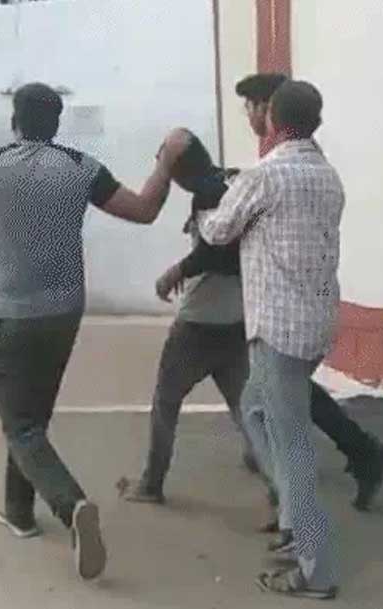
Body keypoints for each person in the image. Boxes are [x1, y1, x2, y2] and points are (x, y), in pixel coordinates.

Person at [0, 83, 190, 581]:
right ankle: (18, 512)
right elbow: (144, 210)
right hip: (65, 312)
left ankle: (71, 505)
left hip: (15, 313)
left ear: (14, 120)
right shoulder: (81, 167)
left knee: (19, 424)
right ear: (56, 123)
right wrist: (165, 164)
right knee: (30, 416)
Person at [198, 80, 344, 598]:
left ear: (274, 120)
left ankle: (314, 568)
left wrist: (203, 210)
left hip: (277, 328)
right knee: (254, 408)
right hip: (315, 323)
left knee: (292, 443)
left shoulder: (265, 176)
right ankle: (292, 520)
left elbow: (218, 230)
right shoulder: (327, 175)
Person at [236, 74, 383, 529]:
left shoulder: (274, 171)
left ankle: (298, 522)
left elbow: (228, 226)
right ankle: (352, 459)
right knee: (272, 400)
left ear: (270, 112)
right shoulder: (314, 169)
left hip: (281, 313)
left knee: (278, 416)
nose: (249, 116)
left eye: (252, 106)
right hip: (310, 312)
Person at [118, 133, 256, 505]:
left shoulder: (208, 194)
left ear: (177, 173)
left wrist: (176, 271)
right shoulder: (234, 181)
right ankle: (271, 474)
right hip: (236, 316)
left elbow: (217, 251)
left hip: (200, 321)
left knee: (166, 401)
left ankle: (151, 483)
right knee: (243, 404)